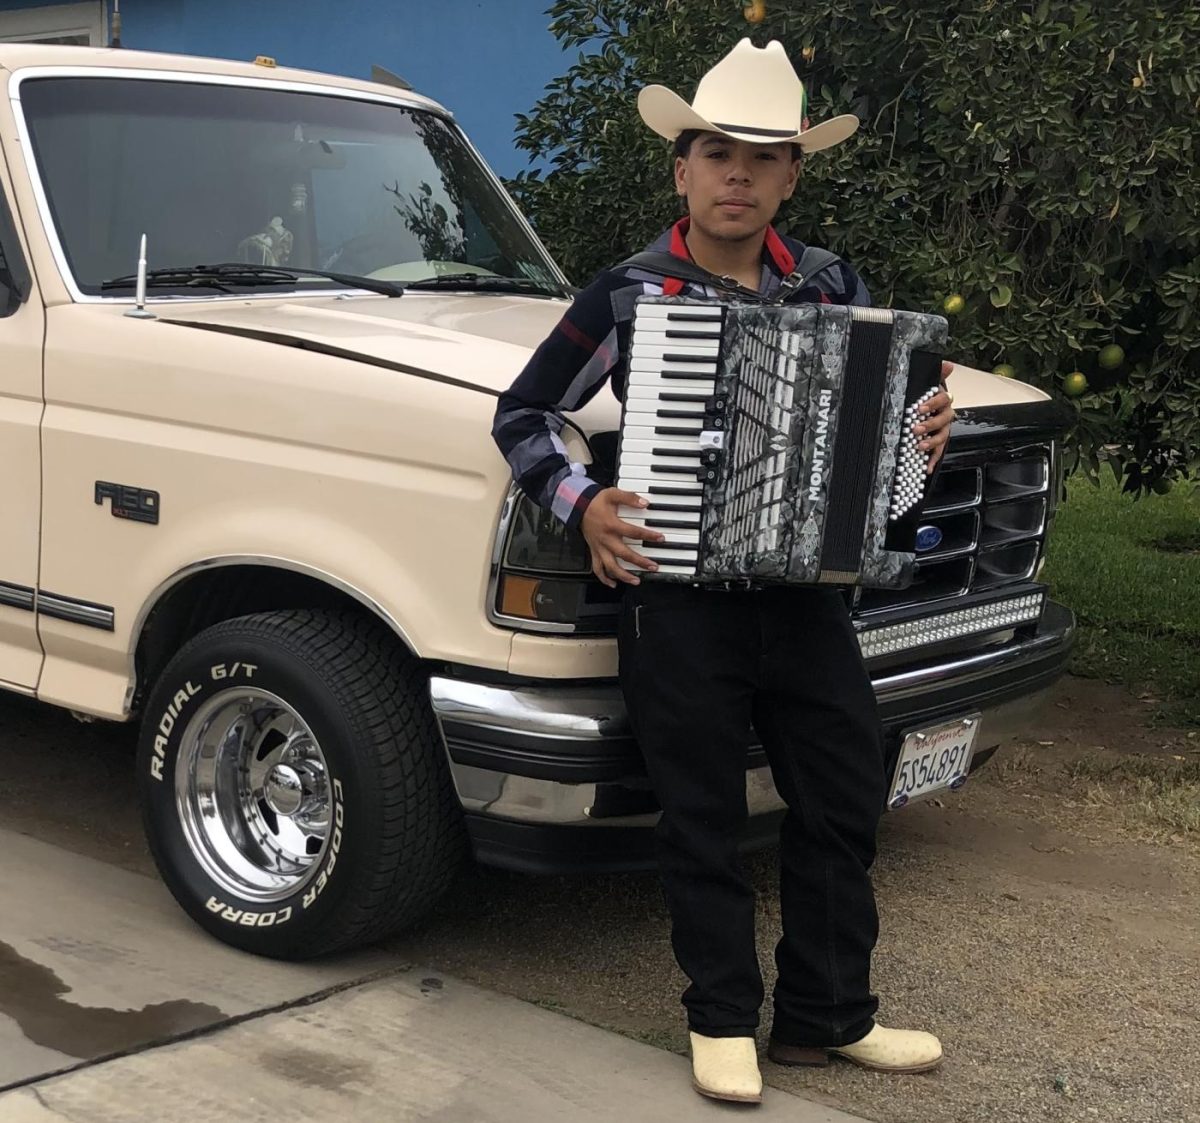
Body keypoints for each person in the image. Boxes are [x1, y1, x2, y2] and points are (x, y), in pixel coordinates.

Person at [492, 38, 955, 1105]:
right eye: (716, 153)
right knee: (700, 811)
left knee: (842, 796)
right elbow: (525, 414)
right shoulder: (628, 295)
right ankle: (720, 1019)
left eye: (761, 156)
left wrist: (912, 452)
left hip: (805, 597)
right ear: (682, 170)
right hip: (679, 598)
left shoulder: (837, 287)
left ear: (793, 174)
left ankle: (827, 1016)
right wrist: (584, 503)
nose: (737, 174)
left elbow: (884, 442)